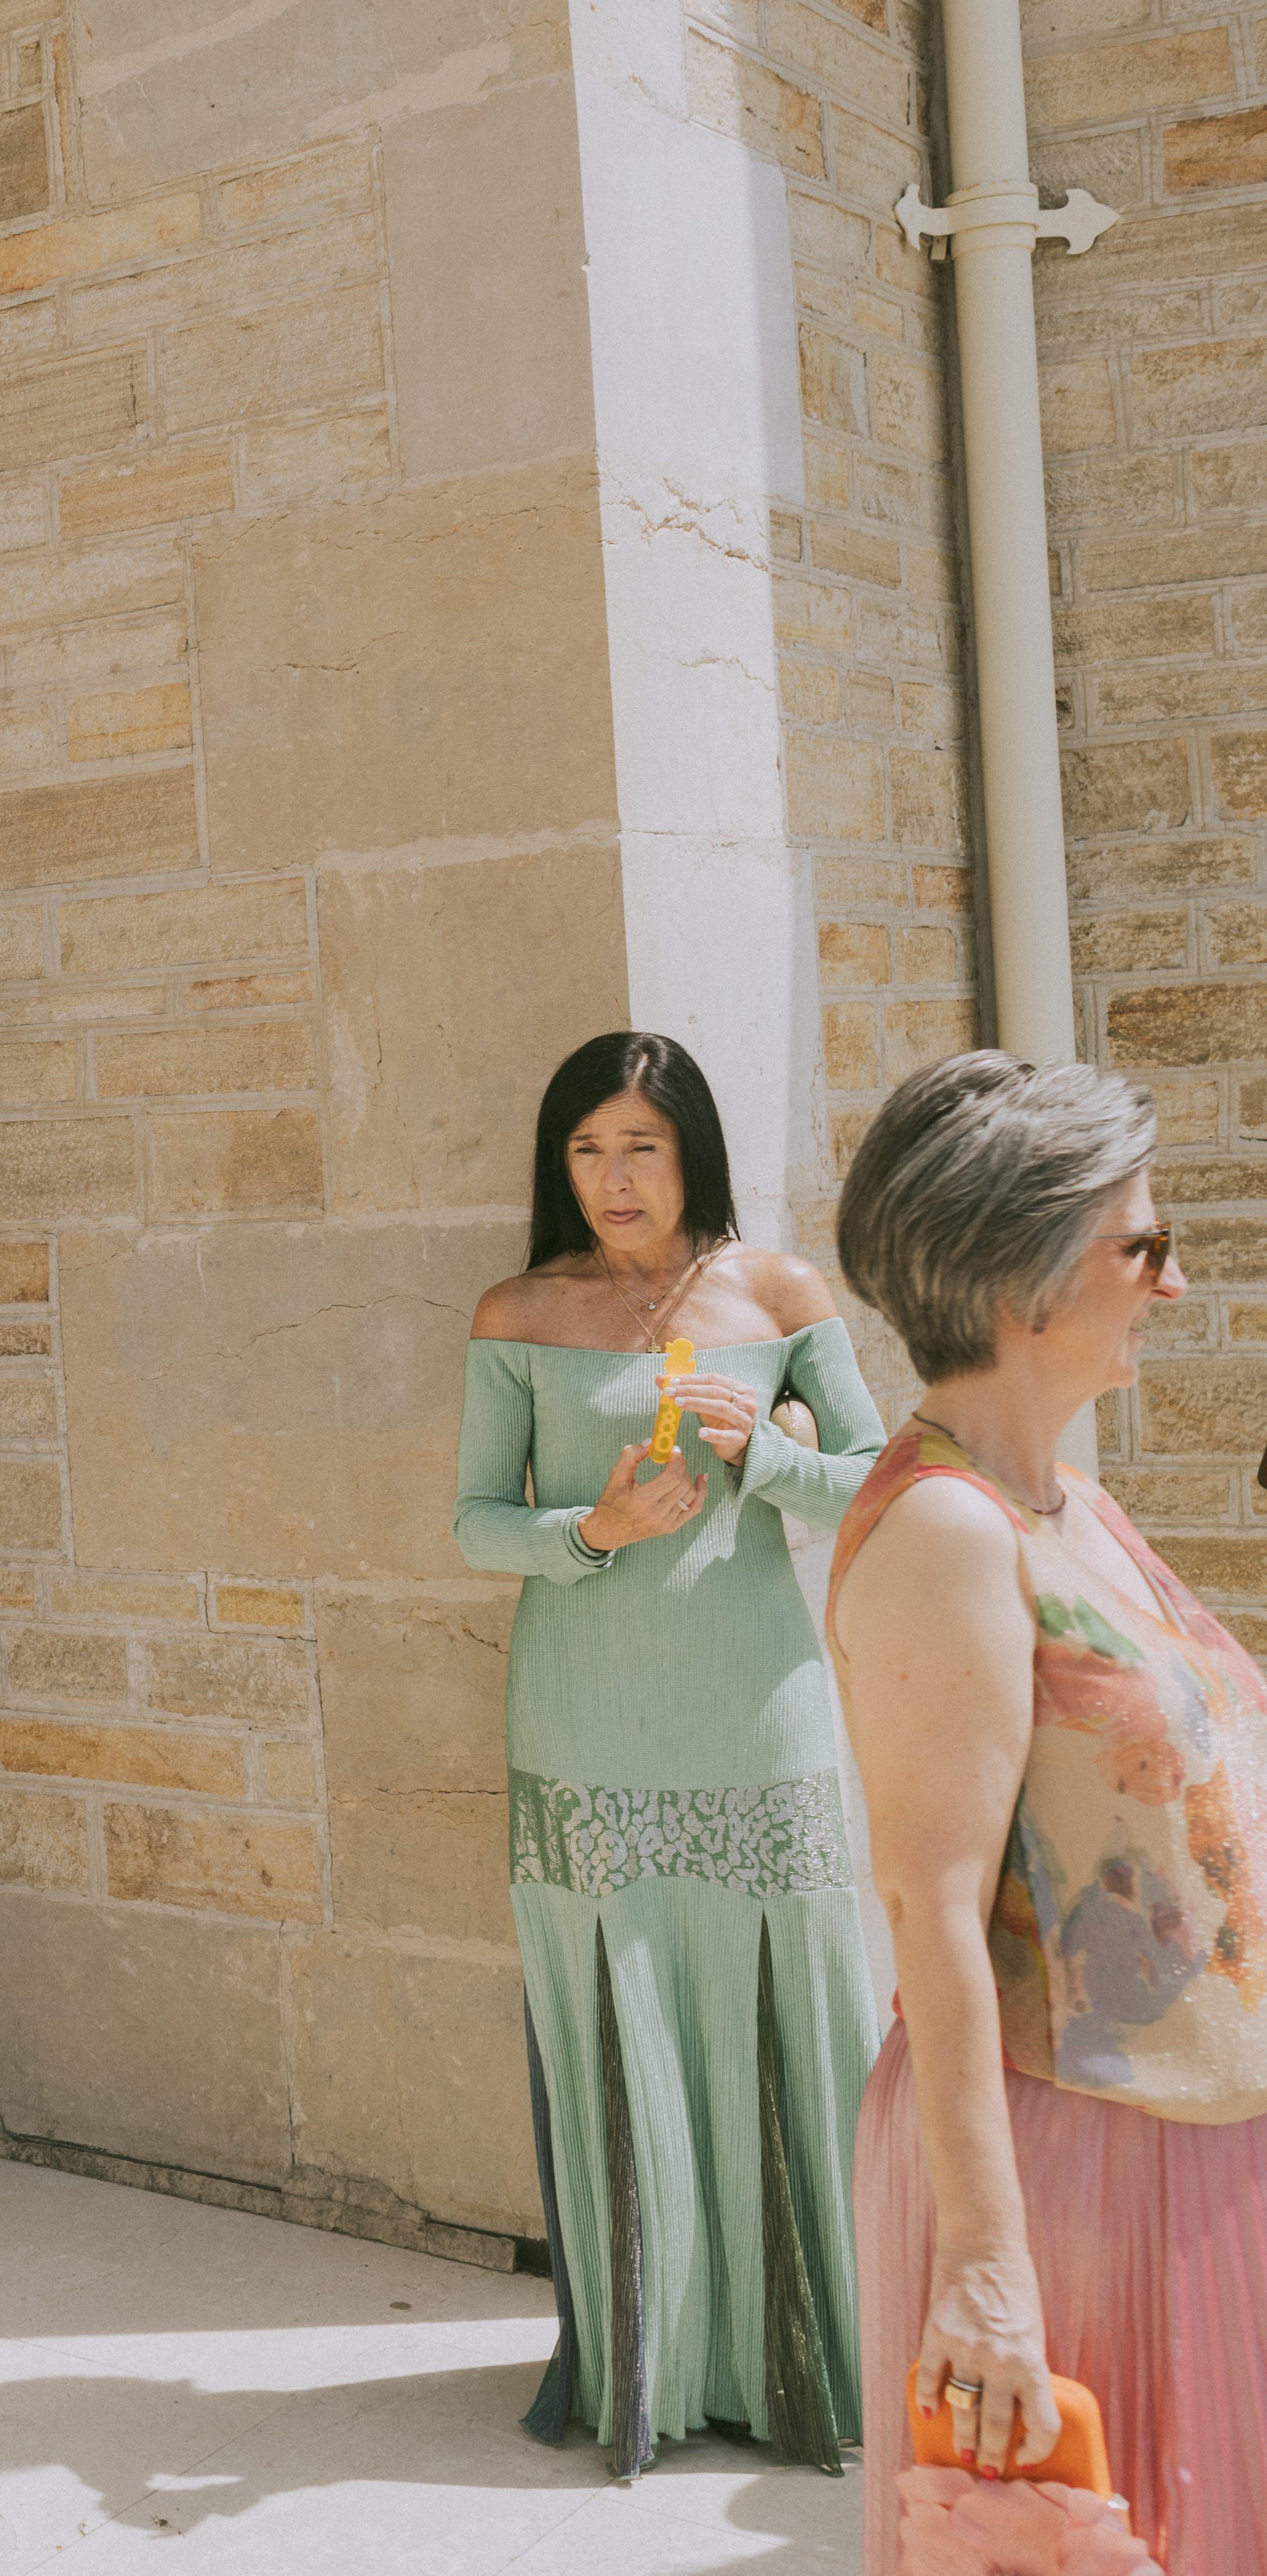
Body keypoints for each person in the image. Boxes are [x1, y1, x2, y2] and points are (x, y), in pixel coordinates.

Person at [829, 1052, 1266, 2573]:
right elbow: (926, 1904)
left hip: (1179, 2137)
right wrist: (986, 2268)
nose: (1172, 1275)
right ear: (1018, 1271)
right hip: (1063, 2168)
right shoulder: (946, 1530)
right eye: (1138, 1243)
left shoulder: (1067, 1503)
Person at [457, 1030, 889, 2478]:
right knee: (615, 2011)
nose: (613, 1177)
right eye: (585, 1148)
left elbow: (882, 1478)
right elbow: (471, 1519)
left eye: (639, 1145)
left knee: (800, 2008)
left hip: (759, 1707)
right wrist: (592, 1532)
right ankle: (654, 2364)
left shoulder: (777, 1292)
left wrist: (761, 1454)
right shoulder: (520, 1307)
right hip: (582, 1712)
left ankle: (814, 2368)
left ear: (690, 1147)